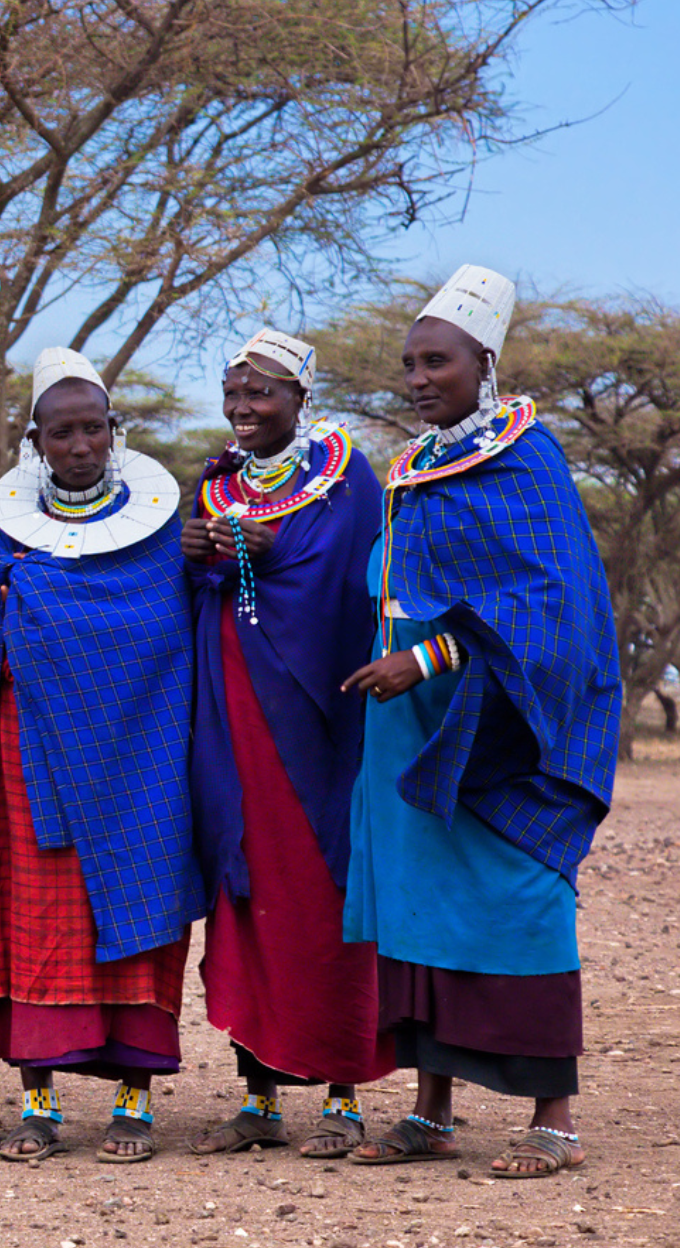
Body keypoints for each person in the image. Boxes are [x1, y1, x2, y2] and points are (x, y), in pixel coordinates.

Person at [339, 266, 618, 1179]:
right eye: (410, 364)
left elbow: (551, 604)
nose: (418, 379)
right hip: (405, 723)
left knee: (519, 896)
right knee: (417, 905)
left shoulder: (525, 458)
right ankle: (431, 1110)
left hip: (498, 718)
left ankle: (555, 1119)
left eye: (437, 362)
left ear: (483, 361)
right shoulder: (414, 465)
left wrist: (424, 658)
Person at [0, 348, 199, 1164]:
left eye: (93, 430)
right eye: (62, 433)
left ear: (116, 432)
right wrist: (22, 606)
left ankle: (133, 1107)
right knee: (30, 924)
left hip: (134, 767)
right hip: (23, 765)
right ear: (35, 440)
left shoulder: (157, 536)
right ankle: (37, 1102)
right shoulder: (6, 535)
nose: (79, 447)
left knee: (136, 924)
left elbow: (168, 637)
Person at [179, 331, 396, 1158]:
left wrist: (272, 558)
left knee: (324, 897)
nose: (242, 406)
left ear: (301, 397)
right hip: (230, 714)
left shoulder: (345, 477)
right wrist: (197, 550)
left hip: (318, 721)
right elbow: (198, 579)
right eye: (233, 391)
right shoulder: (217, 478)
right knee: (246, 896)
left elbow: (356, 579)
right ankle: (260, 1095)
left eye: (261, 391)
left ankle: (343, 1098)